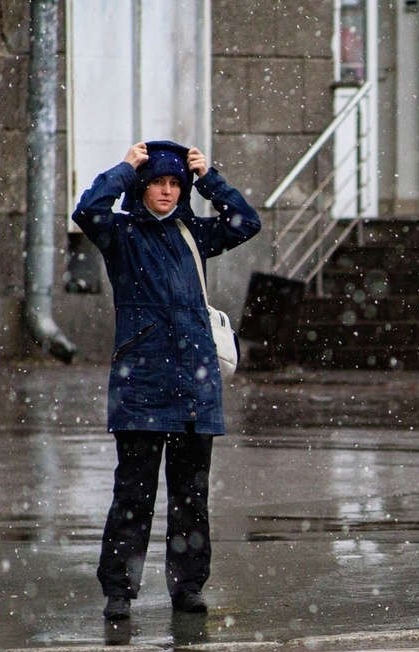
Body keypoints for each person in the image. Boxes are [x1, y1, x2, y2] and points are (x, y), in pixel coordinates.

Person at [73, 141, 261, 620]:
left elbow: (246, 221)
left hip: (196, 388)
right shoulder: (121, 232)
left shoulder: (192, 232)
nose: (168, 190)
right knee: (133, 496)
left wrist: (210, 178)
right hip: (142, 385)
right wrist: (124, 167)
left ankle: (188, 588)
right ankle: (119, 591)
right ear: (142, 186)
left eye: (176, 183)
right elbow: (87, 210)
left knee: (191, 499)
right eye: (159, 181)